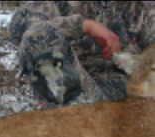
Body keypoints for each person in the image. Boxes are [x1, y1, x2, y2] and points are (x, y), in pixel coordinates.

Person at [9, 1, 155, 107]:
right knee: (37, 37)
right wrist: (84, 25)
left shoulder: (141, 7)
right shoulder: (53, 4)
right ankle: (74, 122)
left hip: (124, 97)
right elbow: (19, 30)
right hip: (76, 90)